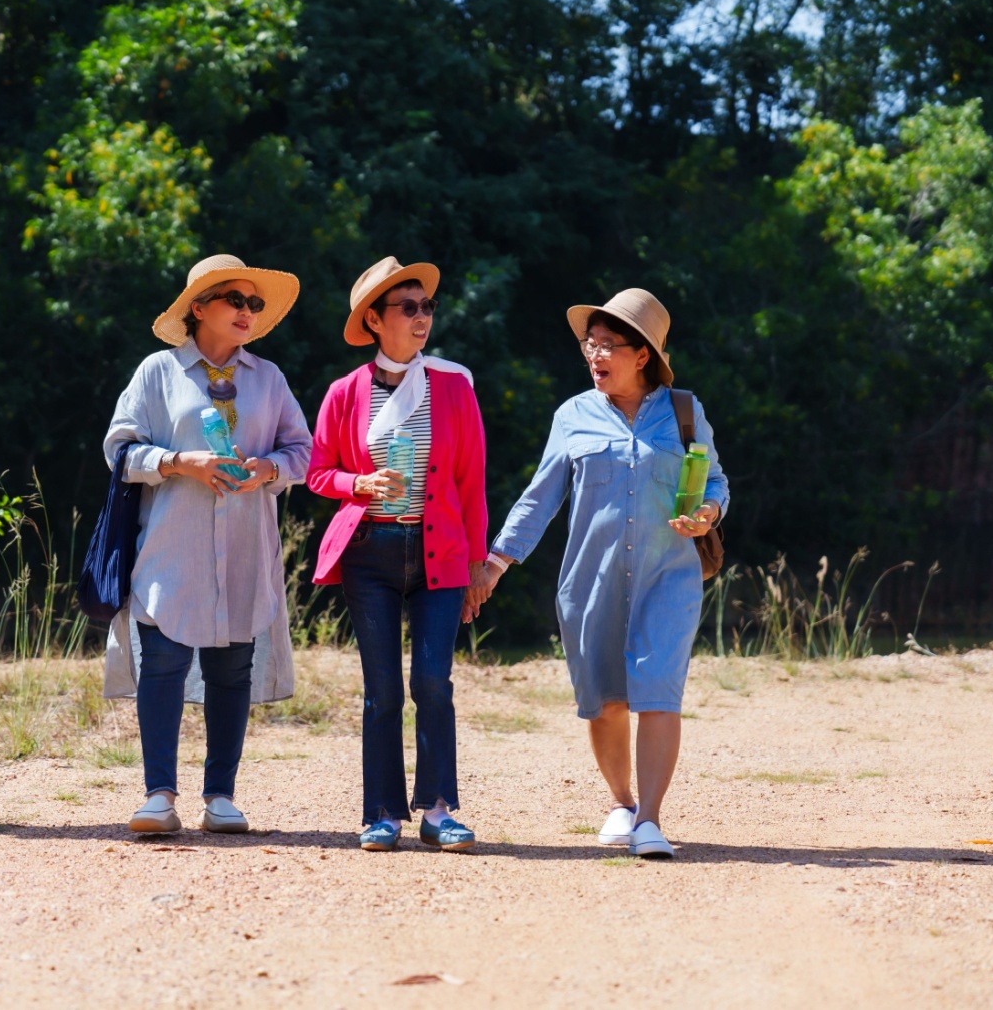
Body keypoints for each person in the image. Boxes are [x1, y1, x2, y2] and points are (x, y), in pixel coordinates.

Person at [471, 288, 726, 859]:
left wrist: (707, 512)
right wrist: (495, 563)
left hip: (669, 576)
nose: (596, 355)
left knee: (659, 691)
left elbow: (714, 481)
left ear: (643, 356)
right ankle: (621, 802)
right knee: (605, 698)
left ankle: (652, 822)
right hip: (591, 581)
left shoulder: (684, 411)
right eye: (592, 344)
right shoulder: (573, 415)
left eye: (610, 345)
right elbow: (540, 499)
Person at [102, 254, 313, 835]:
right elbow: (118, 449)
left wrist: (268, 469)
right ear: (199, 308)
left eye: (255, 304)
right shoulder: (157, 372)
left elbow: (303, 450)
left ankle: (221, 795)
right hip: (172, 547)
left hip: (245, 546)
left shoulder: (268, 378)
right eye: (235, 301)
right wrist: (178, 463)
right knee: (163, 664)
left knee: (231, 669)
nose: (248, 312)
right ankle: (158, 795)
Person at [306, 256, 488, 852]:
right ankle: (381, 812)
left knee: (433, 681)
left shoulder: (455, 387)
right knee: (382, 689)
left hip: (440, 553)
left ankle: (438, 810)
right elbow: (318, 475)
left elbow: (471, 485)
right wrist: (357, 485)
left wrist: (478, 566)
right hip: (370, 554)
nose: (421, 318)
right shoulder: (343, 393)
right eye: (407, 308)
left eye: (427, 307)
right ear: (375, 320)